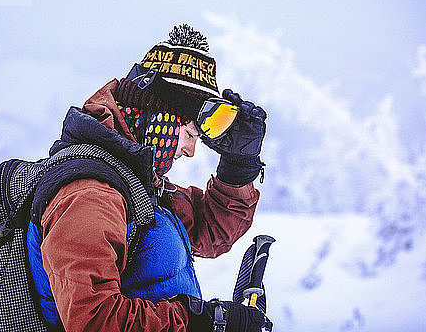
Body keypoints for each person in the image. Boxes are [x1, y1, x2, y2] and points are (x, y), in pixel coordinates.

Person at [26, 24, 271, 331]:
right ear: (161, 118)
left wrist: (238, 166)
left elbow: (210, 231)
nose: (191, 151)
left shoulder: (136, 185)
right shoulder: (90, 195)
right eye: (189, 134)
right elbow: (95, 321)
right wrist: (203, 322)